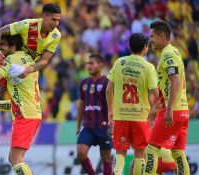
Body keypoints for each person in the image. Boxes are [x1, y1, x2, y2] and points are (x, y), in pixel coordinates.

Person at [0, 33, 42, 175]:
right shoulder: (29, 58)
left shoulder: (10, 59)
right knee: (13, 158)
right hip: (30, 111)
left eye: (3, 44)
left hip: (25, 114)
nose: (0, 48)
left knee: (16, 159)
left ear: (12, 45)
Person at [106, 33, 159, 175]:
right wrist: (156, 108)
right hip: (141, 117)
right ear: (145, 47)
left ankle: (117, 173)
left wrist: (111, 111)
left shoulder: (119, 62)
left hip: (121, 115)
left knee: (120, 152)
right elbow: (157, 95)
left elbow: (108, 90)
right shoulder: (148, 67)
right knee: (140, 154)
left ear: (130, 46)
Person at [144, 20, 190, 175]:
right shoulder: (174, 51)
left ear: (162, 36)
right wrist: (157, 107)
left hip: (173, 111)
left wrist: (168, 109)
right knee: (178, 152)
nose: (150, 40)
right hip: (183, 111)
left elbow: (175, 80)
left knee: (151, 148)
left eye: (152, 36)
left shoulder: (167, 54)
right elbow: (169, 86)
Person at [76, 54, 113, 175]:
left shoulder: (108, 83)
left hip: (104, 126)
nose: (88, 66)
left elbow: (114, 105)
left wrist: (112, 123)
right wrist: (78, 124)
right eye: (87, 63)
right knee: (81, 153)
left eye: (91, 63)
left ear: (100, 65)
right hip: (88, 126)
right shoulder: (84, 83)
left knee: (106, 157)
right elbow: (81, 103)